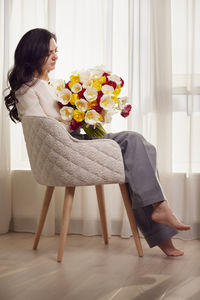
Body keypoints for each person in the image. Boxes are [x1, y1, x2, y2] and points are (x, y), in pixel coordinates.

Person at [4, 28, 190, 257]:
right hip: (70, 147)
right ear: (33, 54)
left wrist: (85, 111)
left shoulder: (48, 85)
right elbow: (44, 127)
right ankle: (160, 211)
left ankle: (160, 223)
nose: (55, 56)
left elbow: (58, 121)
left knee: (141, 150)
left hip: (74, 141)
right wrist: (74, 114)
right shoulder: (28, 88)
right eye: (49, 52)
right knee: (135, 144)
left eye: (56, 51)